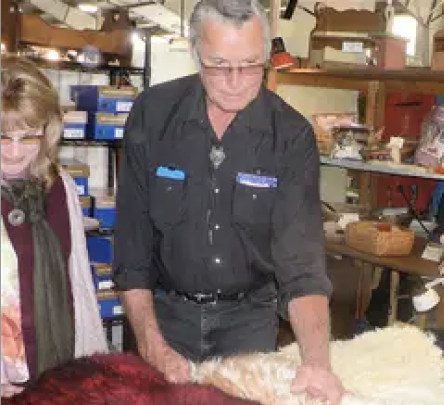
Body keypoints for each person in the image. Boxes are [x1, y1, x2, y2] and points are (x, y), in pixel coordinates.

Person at [112, 1, 344, 404]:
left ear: (267, 56)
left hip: (248, 322)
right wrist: (152, 345)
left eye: (251, 65)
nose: (235, 82)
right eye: (219, 65)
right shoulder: (153, 114)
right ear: (195, 52)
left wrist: (318, 364)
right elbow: (132, 249)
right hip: (164, 317)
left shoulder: (290, 137)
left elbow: (302, 268)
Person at [1, 56, 108, 397]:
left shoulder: (59, 186)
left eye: (28, 137)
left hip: (54, 375)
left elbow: (78, 283)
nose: (14, 152)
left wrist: (92, 368)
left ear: (47, 132)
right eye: (2, 136)